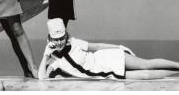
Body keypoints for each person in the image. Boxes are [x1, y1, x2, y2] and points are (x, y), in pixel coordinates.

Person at [38, 18, 179, 80]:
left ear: (66, 36)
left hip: (107, 58)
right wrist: (46, 55)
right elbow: (41, 78)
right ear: (50, 40)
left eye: (62, 37)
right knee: (146, 75)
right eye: (56, 39)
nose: (60, 41)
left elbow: (97, 46)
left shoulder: (75, 43)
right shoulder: (55, 62)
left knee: (146, 64)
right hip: (106, 73)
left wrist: (118, 47)